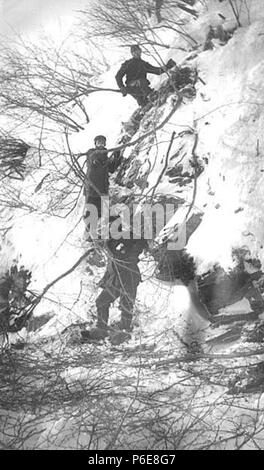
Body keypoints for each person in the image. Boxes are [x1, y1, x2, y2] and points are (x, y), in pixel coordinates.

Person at [81, 224, 149, 342]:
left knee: (126, 304)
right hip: (115, 280)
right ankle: (101, 329)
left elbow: (142, 241)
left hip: (129, 277)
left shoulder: (125, 236)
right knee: (101, 301)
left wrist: (132, 256)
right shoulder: (109, 243)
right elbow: (111, 265)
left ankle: (124, 331)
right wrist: (104, 279)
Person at [84, 135, 122, 227]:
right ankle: (89, 227)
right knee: (91, 208)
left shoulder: (105, 157)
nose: (100, 144)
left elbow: (111, 168)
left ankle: (105, 222)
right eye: (98, 142)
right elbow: (92, 159)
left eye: (102, 142)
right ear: (95, 144)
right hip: (92, 187)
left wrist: (117, 155)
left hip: (103, 187)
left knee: (103, 208)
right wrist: (95, 159)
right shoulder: (91, 152)